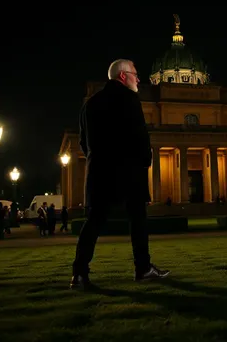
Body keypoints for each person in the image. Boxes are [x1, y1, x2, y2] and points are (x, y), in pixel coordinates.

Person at [71, 59, 169, 290]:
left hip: (100, 172)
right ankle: (143, 268)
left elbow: (84, 142)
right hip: (128, 170)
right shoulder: (129, 98)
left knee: (93, 222)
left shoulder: (90, 103)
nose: (138, 79)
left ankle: (79, 274)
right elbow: (139, 134)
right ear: (123, 76)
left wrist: (98, 160)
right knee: (138, 220)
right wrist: (145, 162)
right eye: (135, 74)